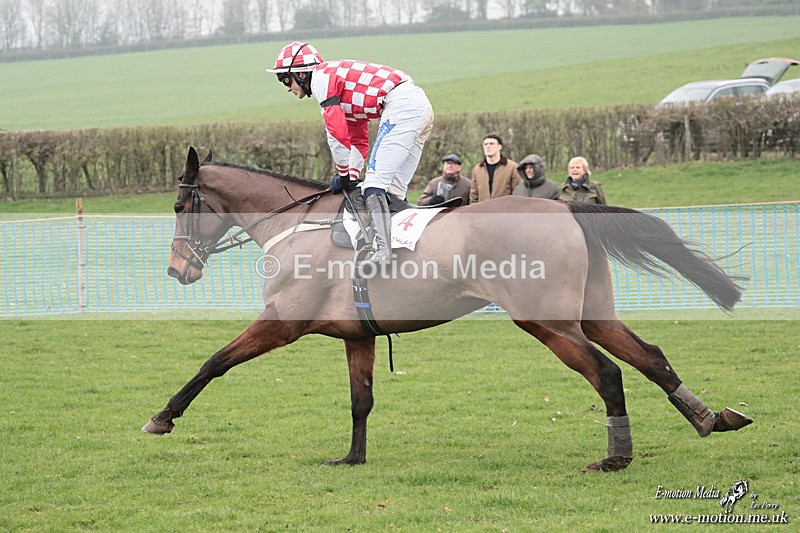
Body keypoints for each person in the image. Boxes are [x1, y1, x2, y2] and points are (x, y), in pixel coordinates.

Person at [265, 41, 434, 266]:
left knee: (375, 185)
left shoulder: (322, 78)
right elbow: (357, 138)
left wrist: (344, 174)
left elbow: (335, 133)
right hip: (416, 105)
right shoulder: (341, 90)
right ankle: (402, 247)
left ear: (302, 74)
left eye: (286, 79)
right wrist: (352, 175)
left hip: (402, 106)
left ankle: (383, 253)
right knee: (394, 191)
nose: (287, 87)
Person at [468, 133, 519, 204]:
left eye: (491, 144)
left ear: (499, 147)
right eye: (485, 144)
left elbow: (517, 194)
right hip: (483, 212)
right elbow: (474, 196)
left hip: (505, 212)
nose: (488, 146)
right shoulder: (477, 170)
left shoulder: (512, 167)